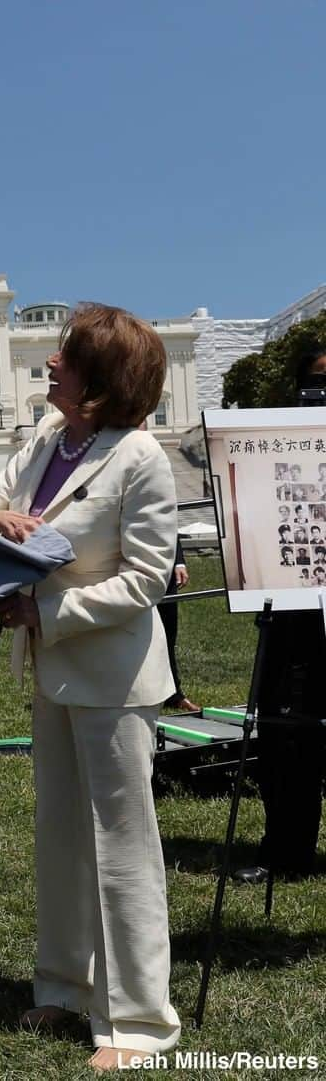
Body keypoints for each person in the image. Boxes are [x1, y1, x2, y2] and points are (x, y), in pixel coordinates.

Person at [0, 303, 180, 1069]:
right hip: (53, 672)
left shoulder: (142, 458)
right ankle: (62, 988)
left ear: (101, 379)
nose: (50, 364)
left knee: (122, 848)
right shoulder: (48, 440)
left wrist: (45, 610)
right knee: (60, 837)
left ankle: (138, 1024)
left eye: (65, 357)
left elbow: (146, 581)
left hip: (113, 676)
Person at [234, 346, 326, 887]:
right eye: (316, 384)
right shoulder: (279, 446)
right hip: (292, 612)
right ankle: (286, 848)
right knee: (285, 733)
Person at [160, 538, 200, 713]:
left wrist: (178, 561)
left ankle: (173, 694)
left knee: (167, 635)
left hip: (163, 567)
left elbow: (168, 521)